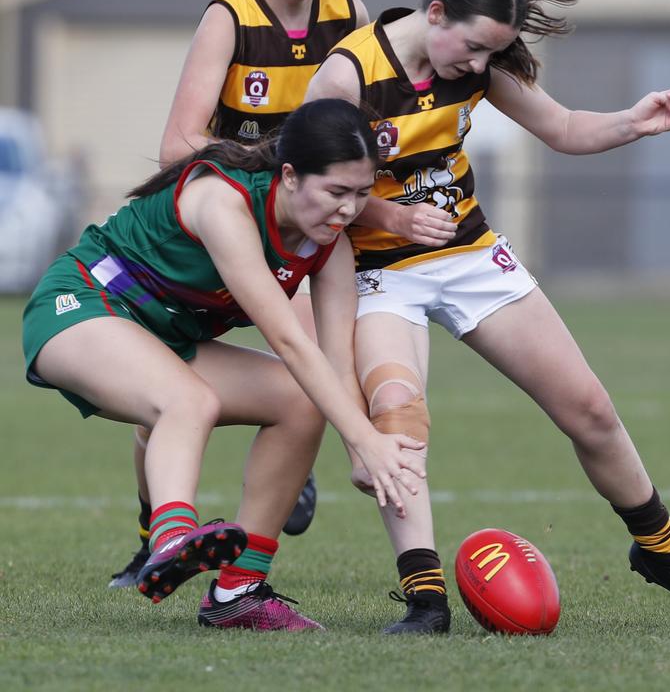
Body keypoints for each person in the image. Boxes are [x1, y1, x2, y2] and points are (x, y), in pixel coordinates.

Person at [304, 0, 670, 635]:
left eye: (493, 53)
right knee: (398, 416)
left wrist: (634, 120)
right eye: (476, 47)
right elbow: (309, 184)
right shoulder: (348, 74)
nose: (479, 66)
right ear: (437, 12)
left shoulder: (474, 64)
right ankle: (425, 598)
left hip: (470, 254)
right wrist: (389, 215)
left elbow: (562, 127)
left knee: (590, 408)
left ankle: (666, 555)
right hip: (376, 271)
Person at [22, 99, 425, 632]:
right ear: (289, 175)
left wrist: (361, 451)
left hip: (163, 336)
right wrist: (369, 441)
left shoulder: (331, 246)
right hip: (82, 305)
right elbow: (286, 336)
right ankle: (170, 541)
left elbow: (334, 362)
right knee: (191, 400)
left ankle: (240, 590)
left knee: (303, 402)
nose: (349, 210)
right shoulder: (223, 201)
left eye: (361, 193)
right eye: (335, 192)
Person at [111, 0, 369, 586]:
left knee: (323, 359)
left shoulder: (346, 14)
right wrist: (264, 172)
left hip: (299, 231)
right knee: (156, 401)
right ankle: (150, 529)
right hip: (222, 232)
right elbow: (179, 145)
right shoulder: (230, 17)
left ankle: (294, 461)